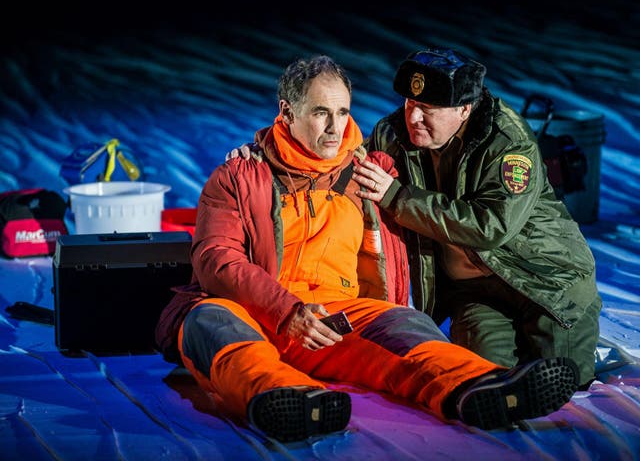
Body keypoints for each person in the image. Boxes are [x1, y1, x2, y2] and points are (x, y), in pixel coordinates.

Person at [156, 54, 578, 443]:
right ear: (287, 113)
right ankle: (283, 397)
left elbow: (446, 187)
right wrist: (285, 310)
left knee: (403, 326)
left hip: (333, 317)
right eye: (320, 112)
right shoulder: (239, 175)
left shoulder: (370, 171)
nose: (334, 127)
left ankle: (478, 386)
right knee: (208, 320)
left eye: (342, 112)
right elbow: (217, 259)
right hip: (255, 310)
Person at [351, 47, 602, 390]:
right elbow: (342, 164)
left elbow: (490, 225)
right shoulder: (394, 135)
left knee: (563, 388)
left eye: (427, 109)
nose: (413, 118)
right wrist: (265, 156)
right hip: (476, 292)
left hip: (547, 285)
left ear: (464, 109)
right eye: (409, 104)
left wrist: (398, 197)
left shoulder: (506, 141)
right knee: (483, 384)